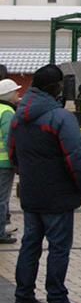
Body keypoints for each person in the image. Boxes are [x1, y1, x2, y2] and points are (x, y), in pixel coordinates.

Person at [10, 64, 81, 303]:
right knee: (58, 247)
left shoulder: (18, 116)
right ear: (54, 88)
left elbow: (12, 152)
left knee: (30, 244)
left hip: (31, 193)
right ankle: (56, 298)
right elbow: (76, 157)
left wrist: (26, 175)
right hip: (58, 195)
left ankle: (23, 297)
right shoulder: (60, 117)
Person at [0, 79, 21, 245]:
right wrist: (16, 161)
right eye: (16, 92)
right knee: (2, 199)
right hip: (4, 163)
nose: (18, 95)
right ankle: (1, 232)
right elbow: (10, 139)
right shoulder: (7, 112)